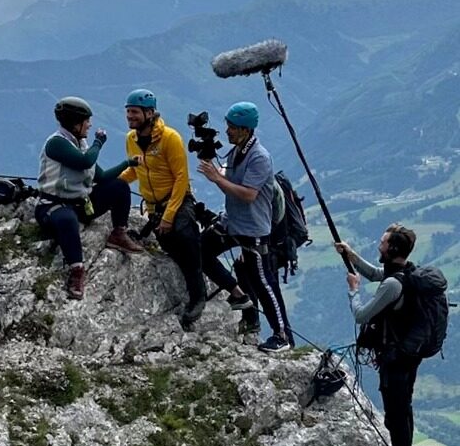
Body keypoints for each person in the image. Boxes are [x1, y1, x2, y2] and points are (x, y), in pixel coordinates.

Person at [198, 102, 291, 353]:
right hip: (232, 222)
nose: (227, 131)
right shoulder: (236, 152)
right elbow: (230, 181)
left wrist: (216, 178)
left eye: (232, 127)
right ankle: (239, 294)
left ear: (246, 130)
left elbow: (249, 194)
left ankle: (281, 336)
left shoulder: (259, 157)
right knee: (200, 251)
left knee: (263, 282)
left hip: (253, 229)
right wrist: (214, 170)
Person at [335, 224, 420, 446]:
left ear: (392, 249)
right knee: (403, 410)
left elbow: (362, 315)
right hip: (408, 355)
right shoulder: (405, 272)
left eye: (383, 243)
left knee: (396, 416)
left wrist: (353, 290)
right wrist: (350, 255)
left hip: (395, 358)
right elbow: (374, 273)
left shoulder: (394, 284)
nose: (379, 246)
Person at [36, 96, 144, 301]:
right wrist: (99, 142)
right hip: (53, 206)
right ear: (76, 124)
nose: (90, 125)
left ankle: (119, 234)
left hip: (79, 203)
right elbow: (86, 161)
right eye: (87, 121)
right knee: (67, 220)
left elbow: (100, 176)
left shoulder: (80, 143)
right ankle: (77, 271)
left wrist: (128, 164)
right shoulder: (56, 144)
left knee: (120, 186)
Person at [120, 89, 207, 327]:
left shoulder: (170, 138)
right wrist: (111, 183)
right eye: (128, 112)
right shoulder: (132, 139)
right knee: (173, 250)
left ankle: (199, 297)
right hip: (154, 207)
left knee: (188, 244)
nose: (130, 117)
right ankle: (190, 290)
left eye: (135, 112)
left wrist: (169, 217)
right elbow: (134, 170)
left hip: (177, 201)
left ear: (149, 113)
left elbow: (181, 178)